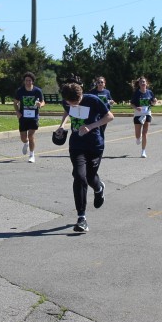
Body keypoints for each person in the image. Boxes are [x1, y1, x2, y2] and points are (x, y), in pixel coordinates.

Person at [54, 79, 114, 233]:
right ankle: (82, 218)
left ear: (80, 95)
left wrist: (91, 126)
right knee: (79, 176)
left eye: (76, 102)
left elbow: (109, 116)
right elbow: (67, 111)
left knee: (90, 177)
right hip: (76, 145)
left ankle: (99, 188)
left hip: (94, 144)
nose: (73, 105)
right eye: (70, 103)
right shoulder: (67, 100)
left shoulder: (93, 100)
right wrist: (61, 126)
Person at [14, 72, 45, 163]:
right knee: (23, 138)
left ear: (32, 81)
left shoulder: (37, 91)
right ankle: (26, 143)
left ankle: (31, 155)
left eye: (30, 80)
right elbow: (15, 102)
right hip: (23, 117)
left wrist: (40, 105)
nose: (28, 82)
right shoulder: (20, 91)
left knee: (31, 136)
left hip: (34, 116)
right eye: (26, 80)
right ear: (24, 81)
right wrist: (17, 112)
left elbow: (43, 102)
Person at [130, 76, 158, 158]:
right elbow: (132, 104)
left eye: (144, 82)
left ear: (146, 83)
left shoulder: (150, 92)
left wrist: (154, 101)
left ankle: (143, 151)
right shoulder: (136, 93)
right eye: (141, 82)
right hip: (138, 114)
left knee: (145, 133)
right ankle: (138, 138)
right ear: (139, 84)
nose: (142, 83)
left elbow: (152, 103)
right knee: (138, 135)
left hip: (147, 113)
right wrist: (136, 108)